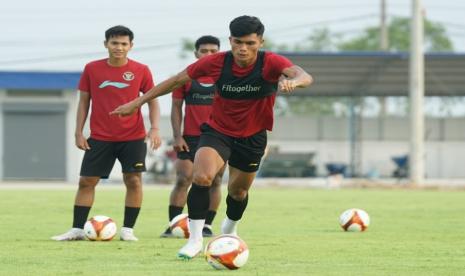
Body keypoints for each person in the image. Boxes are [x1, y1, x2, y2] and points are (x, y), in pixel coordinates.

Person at [110, 15, 313, 257]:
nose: (243, 49)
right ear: (230, 40)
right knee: (202, 177)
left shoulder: (271, 62)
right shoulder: (216, 62)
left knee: (238, 192)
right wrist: (138, 102)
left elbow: (304, 75)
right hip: (218, 132)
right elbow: (176, 81)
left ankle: (230, 227)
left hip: (253, 137)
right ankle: (195, 240)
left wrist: (296, 82)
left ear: (260, 41)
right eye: (238, 42)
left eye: (250, 43)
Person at [52, 25, 161, 242]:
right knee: (86, 182)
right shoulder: (92, 68)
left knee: (134, 181)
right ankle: (77, 229)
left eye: (123, 44)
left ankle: (128, 230)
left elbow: (153, 101)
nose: (119, 47)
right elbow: (84, 102)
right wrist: (78, 132)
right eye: (114, 43)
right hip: (100, 137)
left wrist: (155, 128)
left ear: (130, 46)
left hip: (133, 137)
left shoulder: (141, 70)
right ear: (106, 44)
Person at [160, 35, 225, 238]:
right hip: (190, 138)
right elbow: (176, 108)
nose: (208, 54)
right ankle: (174, 224)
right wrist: (177, 136)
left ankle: (206, 226)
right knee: (183, 179)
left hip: (219, 138)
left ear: (219, 53)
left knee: (214, 182)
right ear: (196, 53)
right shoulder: (186, 76)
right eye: (204, 51)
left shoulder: (226, 77)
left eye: (213, 51)